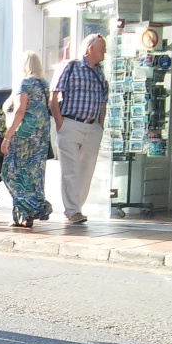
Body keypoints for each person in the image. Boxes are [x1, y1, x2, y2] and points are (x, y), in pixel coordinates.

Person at [50, 33, 109, 225]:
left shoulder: (100, 72)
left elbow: (103, 101)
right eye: (102, 49)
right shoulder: (70, 66)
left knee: (86, 170)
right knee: (71, 169)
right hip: (70, 123)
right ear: (91, 48)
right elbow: (54, 95)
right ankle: (72, 210)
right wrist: (60, 123)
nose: (105, 53)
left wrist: (100, 125)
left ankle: (77, 207)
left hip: (92, 127)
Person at [1, 51, 55, 228]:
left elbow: (20, 111)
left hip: (25, 135)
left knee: (12, 172)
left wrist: (8, 136)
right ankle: (24, 215)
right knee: (32, 175)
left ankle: (28, 210)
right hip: (41, 138)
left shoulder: (25, 84)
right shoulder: (43, 84)